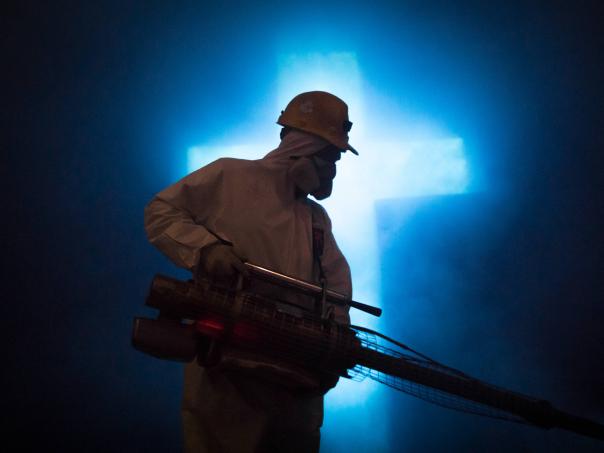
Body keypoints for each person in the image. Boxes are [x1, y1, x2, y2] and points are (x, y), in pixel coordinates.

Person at [144, 91, 358, 452]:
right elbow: (160, 212)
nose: (332, 170)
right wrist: (206, 250)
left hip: (293, 380)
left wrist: (335, 344)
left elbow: (336, 291)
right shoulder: (230, 176)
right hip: (227, 374)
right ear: (303, 148)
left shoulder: (316, 220)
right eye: (329, 157)